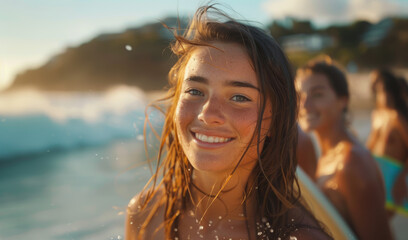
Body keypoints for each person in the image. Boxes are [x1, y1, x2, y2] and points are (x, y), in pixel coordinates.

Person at [125, 5, 331, 240]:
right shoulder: (146, 214)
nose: (207, 113)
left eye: (239, 97)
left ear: (277, 119)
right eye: (194, 91)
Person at [296, 59, 393, 239]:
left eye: (317, 95)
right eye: (300, 95)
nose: (305, 105)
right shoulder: (326, 157)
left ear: (343, 100)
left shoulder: (353, 161)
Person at [366, 69, 408, 211]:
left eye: (387, 92)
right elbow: (369, 149)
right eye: (380, 92)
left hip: (392, 182)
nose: (384, 96)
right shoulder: (377, 116)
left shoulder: (397, 118)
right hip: (376, 179)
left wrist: (402, 177)